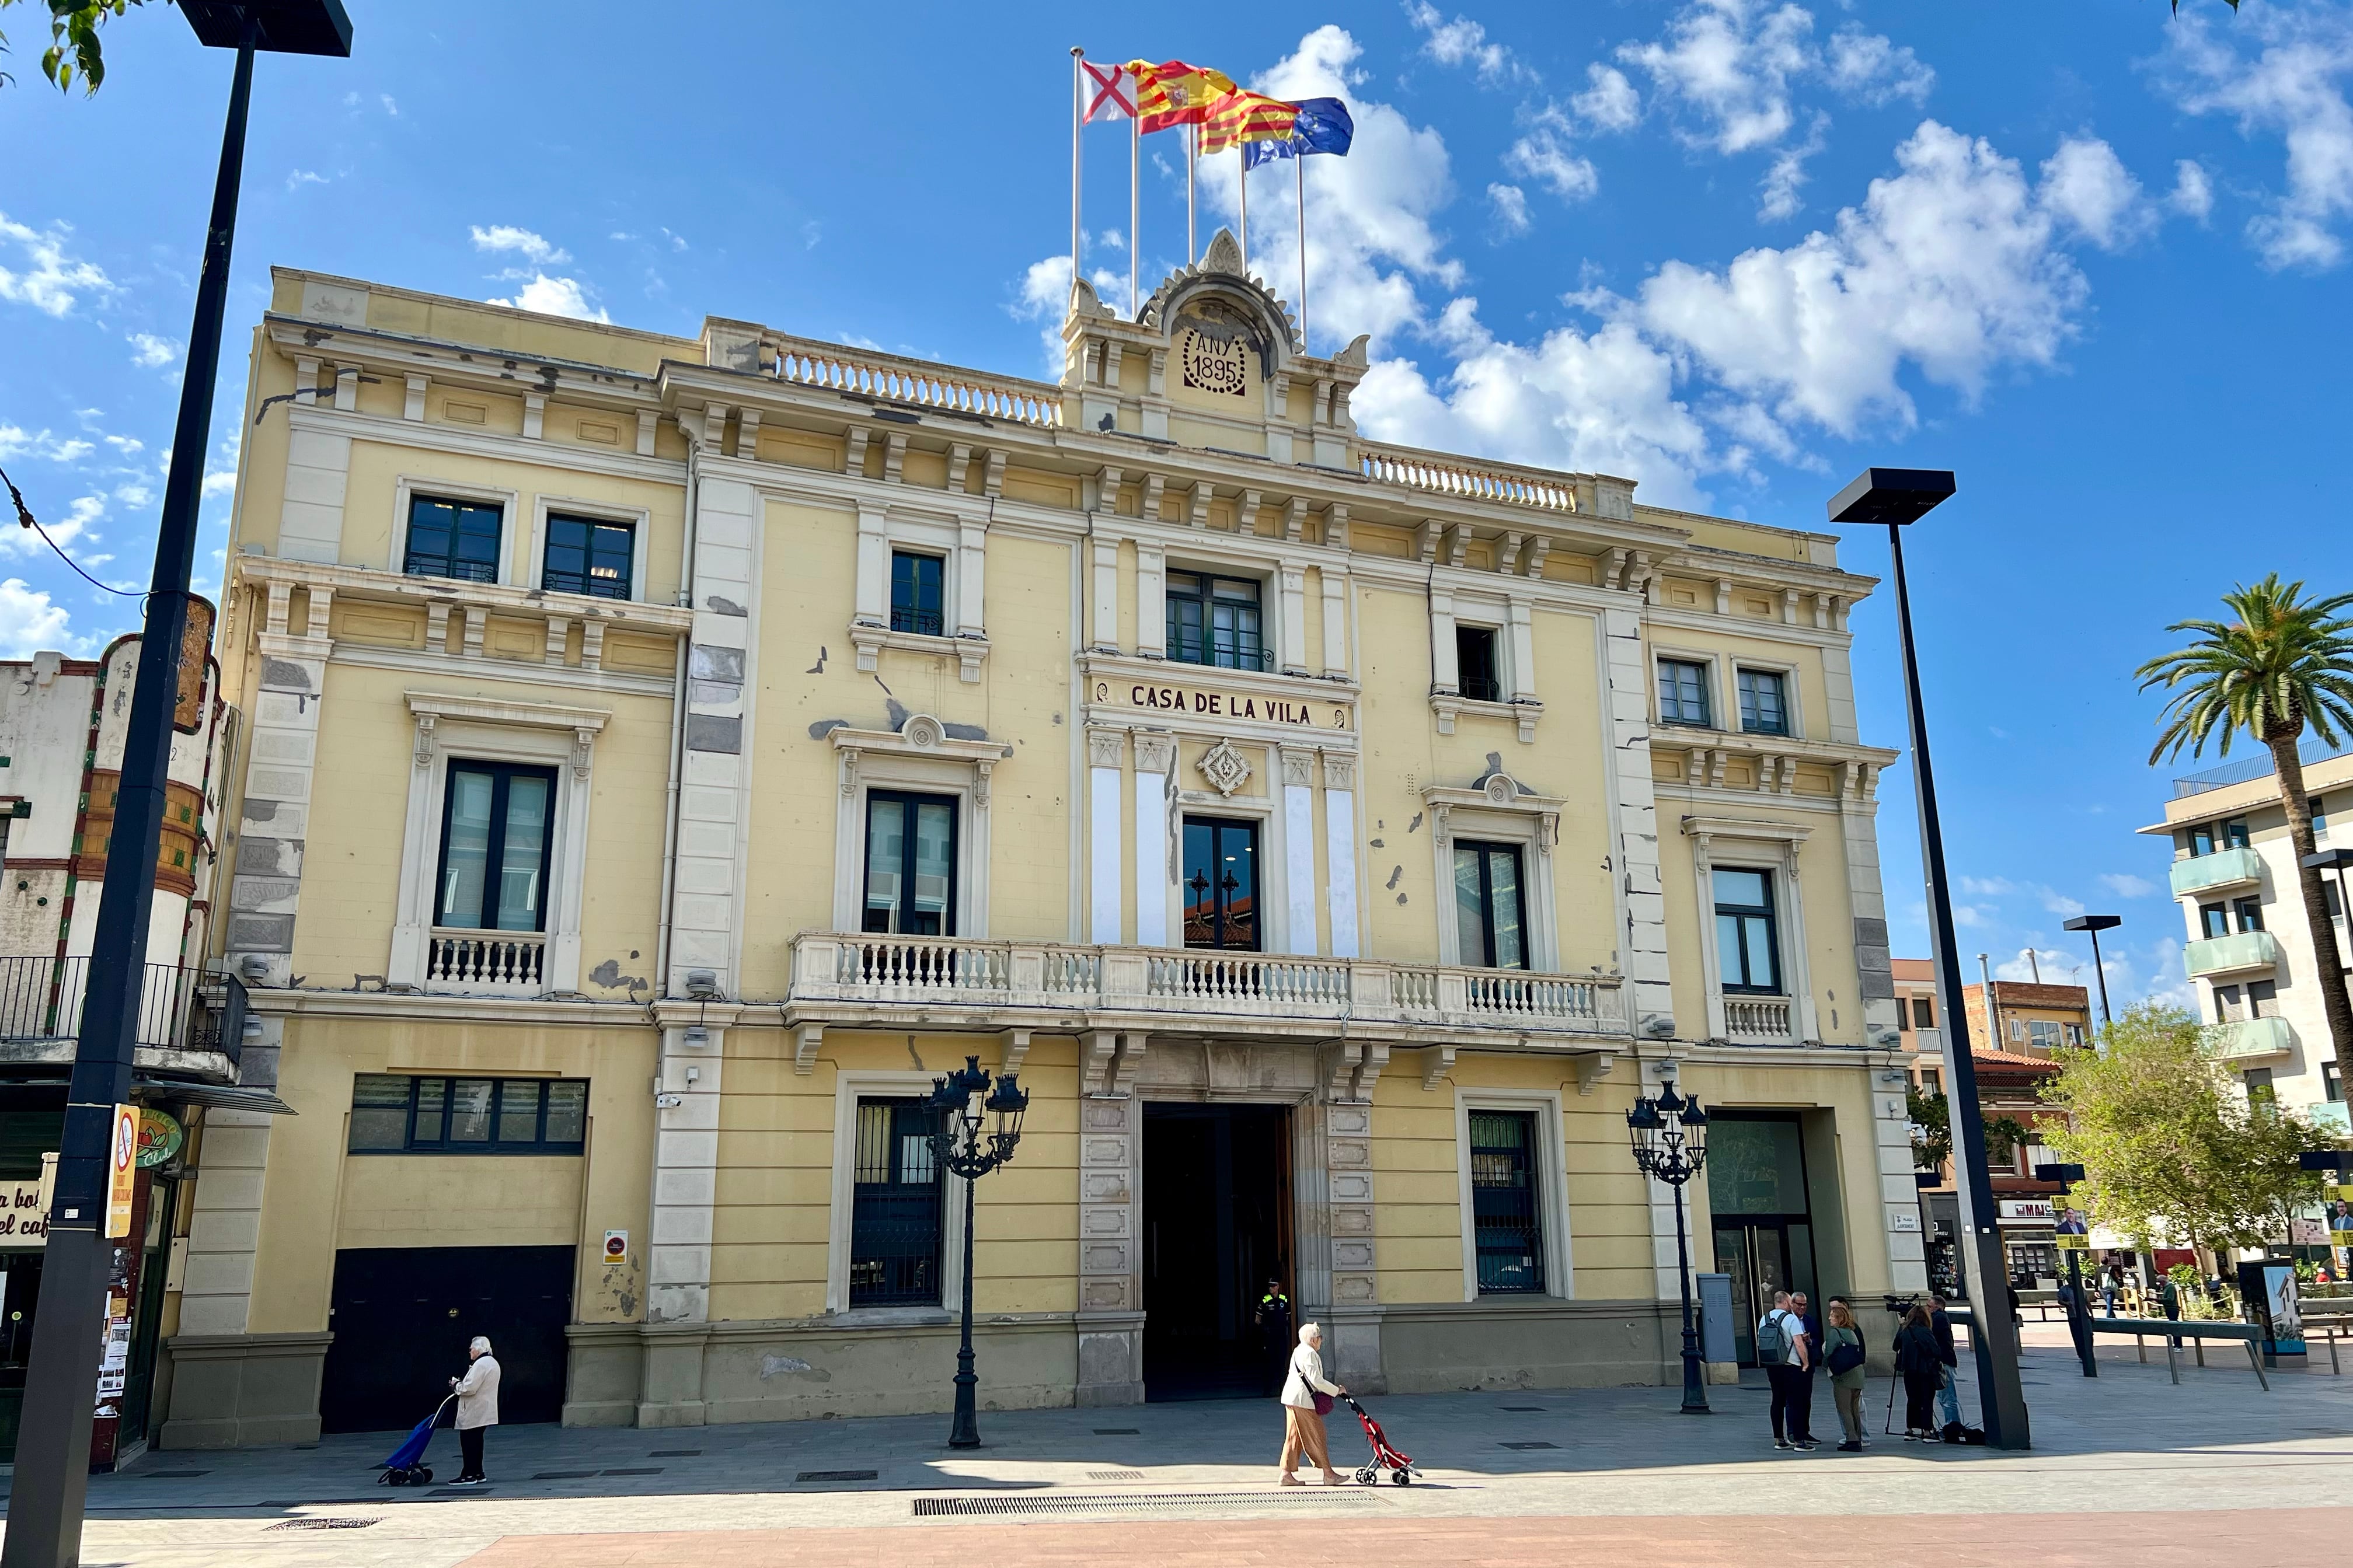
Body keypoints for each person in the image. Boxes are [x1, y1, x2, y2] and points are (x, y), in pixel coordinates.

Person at [1277, 1322, 1347, 1486]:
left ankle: (1286, 1474)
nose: (1321, 1340)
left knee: (1294, 1437)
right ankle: (1329, 1474)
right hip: (1302, 1401)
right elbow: (1316, 1380)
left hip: (1292, 1399)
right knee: (1318, 1434)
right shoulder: (1309, 1353)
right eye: (1320, 1337)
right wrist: (1337, 1390)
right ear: (1313, 1339)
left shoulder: (1299, 1350)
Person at [1755, 1290, 1810, 1451]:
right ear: (1786, 1302)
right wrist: (1805, 1363)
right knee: (1796, 1402)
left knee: (1777, 1401)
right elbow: (1798, 1343)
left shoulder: (1764, 1319)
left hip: (1772, 1365)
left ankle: (1779, 1439)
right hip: (1791, 1365)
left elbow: (1760, 1342)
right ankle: (1799, 1441)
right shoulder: (1791, 1319)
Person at [449, 1335, 500, 1486]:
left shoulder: (481, 1364)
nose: (470, 1352)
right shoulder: (492, 1362)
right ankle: (478, 1472)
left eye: (471, 1349)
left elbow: (469, 1388)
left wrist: (456, 1384)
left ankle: (468, 1474)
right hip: (485, 1409)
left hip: (474, 1409)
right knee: (477, 1441)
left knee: (469, 1442)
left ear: (478, 1349)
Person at [1822, 1298, 1868, 1452]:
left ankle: (1852, 1439)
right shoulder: (1852, 1332)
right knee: (1854, 1409)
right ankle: (1858, 1439)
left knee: (1844, 1409)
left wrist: (1824, 1366)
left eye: (1832, 1316)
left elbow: (1828, 1353)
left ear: (1839, 1318)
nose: (1829, 1319)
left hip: (1844, 1377)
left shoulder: (1835, 1333)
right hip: (1857, 1375)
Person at [1894, 1302, 1944, 1440]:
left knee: (1912, 1399)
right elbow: (1936, 1351)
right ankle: (1927, 1431)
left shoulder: (1904, 1330)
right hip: (1925, 1370)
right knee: (1927, 1400)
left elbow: (1895, 1346)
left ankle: (1910, 1430)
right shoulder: (1925, 1331)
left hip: (1909, 1370)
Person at [1789, 1290, 1822, 1448]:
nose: (1802, 1308)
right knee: (1792, 1400)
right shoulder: (1788, 1319)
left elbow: (1818, 1340)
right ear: (1792, 1304)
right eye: (1799, 1305)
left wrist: (1809, 1341)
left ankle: (1804, 1431)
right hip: (1792, 1364)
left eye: (1805, 1305)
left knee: (1806, 1400)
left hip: (1808, 1365)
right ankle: (1792, 1432)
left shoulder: (1809, 1320)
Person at [1927, 1293, 1962, 1432]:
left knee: (1948, 1397)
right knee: (1944, 1397)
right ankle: (1952, 1426)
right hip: (1943, 1361)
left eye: (1930, 1306)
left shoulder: (1940, 1318)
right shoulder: (1939, 1317)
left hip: (1944, 1362)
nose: (1927, 1309)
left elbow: (1931, 1331)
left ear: (1938, 1307)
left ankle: (1953, 1427)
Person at [1255, 1278, 1293, 1397]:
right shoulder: (1265, 1300)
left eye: (1273, 1286)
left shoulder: (1284, 1299)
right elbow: (1257, 1319)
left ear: (1278, 1287)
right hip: (1270, 1336)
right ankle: (1268, 1391)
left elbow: (1288, 1316)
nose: (1271, 1288)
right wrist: (1265, 1328)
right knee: (1269, 1363)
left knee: (1282, 1364)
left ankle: (1283, 1391)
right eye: (1270, 1286)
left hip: (1281, 1336)